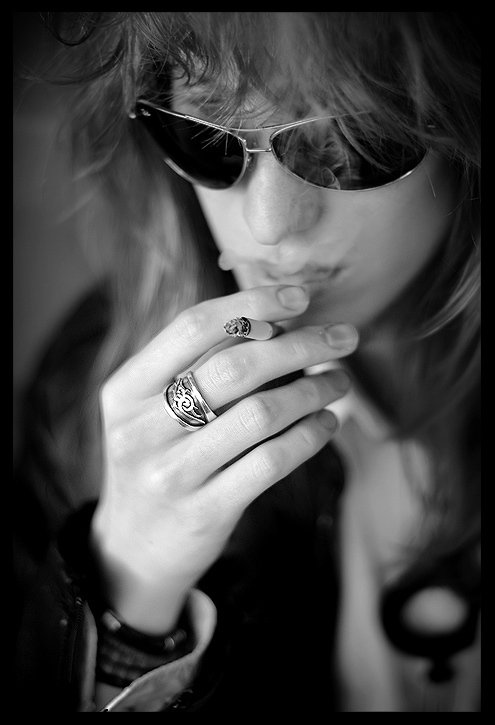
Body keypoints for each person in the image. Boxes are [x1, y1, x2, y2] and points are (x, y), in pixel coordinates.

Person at [13, 12, 480, 713]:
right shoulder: (88, 382)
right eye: (206, 133)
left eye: (347, 140)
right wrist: (129, 588)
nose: (268, 222)